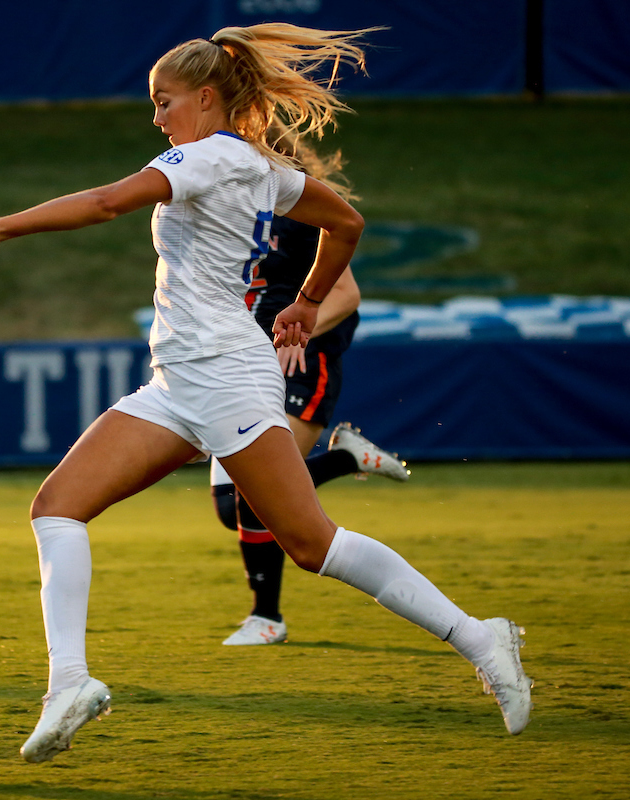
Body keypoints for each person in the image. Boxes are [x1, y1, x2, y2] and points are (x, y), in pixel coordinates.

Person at [0, 23, 532, 762]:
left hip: (226, 374)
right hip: (178, 382)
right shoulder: (259, 167)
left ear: (205, 97)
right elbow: (346, 222)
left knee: (312, 543)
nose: (156, 117)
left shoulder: (203, 158)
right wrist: (306, 303)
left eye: (163, 101)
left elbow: (104, 203)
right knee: (57, 508)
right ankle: (69, 683)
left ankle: (481, 638)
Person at [213, 126, 411, 646]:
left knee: (258, 492)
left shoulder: (297, 208)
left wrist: (293, 333)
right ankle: (346, 459)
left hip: (300, 358)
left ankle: (266, 618)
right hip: (246, 361)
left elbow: (346, 294)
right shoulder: (225, 209)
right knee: (231, 507)